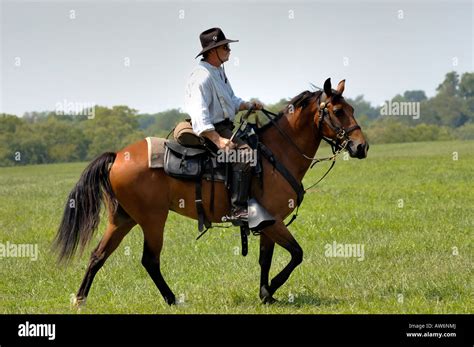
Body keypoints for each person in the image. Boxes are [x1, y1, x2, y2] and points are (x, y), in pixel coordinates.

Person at [184, 27, 263, 223]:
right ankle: (238, 210)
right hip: (213, 130)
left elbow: (231, 100)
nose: (229, 49)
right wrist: (218, 140)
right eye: (225, 46)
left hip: (227, 126)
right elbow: (199, 114)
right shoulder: (201, 77)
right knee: (245, 155)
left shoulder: (218, 72)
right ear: (212, 51)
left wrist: (247, 105)